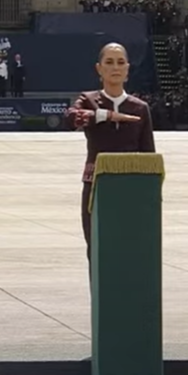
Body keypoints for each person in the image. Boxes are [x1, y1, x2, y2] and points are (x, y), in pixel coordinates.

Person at [64, 43, 155, 262]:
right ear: (99, 68)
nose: (116, 67)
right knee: (96, 247)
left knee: (130, 246)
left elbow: (148, 155)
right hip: (96, 184)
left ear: (127, 69)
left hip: (130, 187)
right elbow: (71, 118)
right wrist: (108, 116)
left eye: (121, 62)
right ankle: (99, 296)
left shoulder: (139, 107)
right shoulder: (89, 100)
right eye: (109, 62)